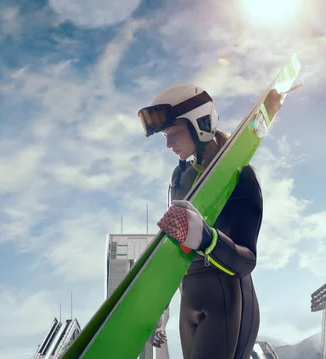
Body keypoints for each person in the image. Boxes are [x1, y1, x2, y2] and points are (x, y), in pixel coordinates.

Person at [137, 84, 263, 359]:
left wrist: (207, 239)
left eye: (174, 134)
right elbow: (175, 248)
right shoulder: (179, 179)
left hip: (226, 299)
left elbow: (247, 260)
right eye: (165, 136)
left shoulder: (240, 177)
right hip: (188, 297)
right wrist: (158, 307)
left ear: (201, 124)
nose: (168, 144)